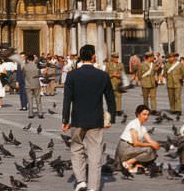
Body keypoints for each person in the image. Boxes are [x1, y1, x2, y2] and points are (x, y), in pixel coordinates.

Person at [62, 45, 115, 191]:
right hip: (96, 120)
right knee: (95, 154)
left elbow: (67, 99)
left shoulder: (72, 75)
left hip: (78, 119)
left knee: (76, 149)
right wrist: (109, 118)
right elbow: (111, 99)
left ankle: (80, 181)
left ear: (80, 56)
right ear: (93, 57)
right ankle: (93, 187)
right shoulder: (102, 75)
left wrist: (65, 120)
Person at [115, 104, 159, 172]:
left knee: (153, 151)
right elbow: (136, 143)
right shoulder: (134, 124)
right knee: (148, 150)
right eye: (144, 114)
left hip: (131, 149)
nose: (146, 117)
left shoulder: (143, 127)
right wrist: (151, 145)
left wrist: (155, 144)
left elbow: (150, 140)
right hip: (124, 149)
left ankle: (133, 164)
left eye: (148, 115)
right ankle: (127, 163)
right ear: (138, 114)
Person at [22, 53, 42, 119]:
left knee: (30, 99)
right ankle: (40, 113)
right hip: (36, 84)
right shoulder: (37, 66)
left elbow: (23, 75)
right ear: (33, 59)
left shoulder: (25, 66)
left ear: (27, 60)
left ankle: (30, 114)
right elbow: (39, 74)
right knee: (38, 99)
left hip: (28, 84)